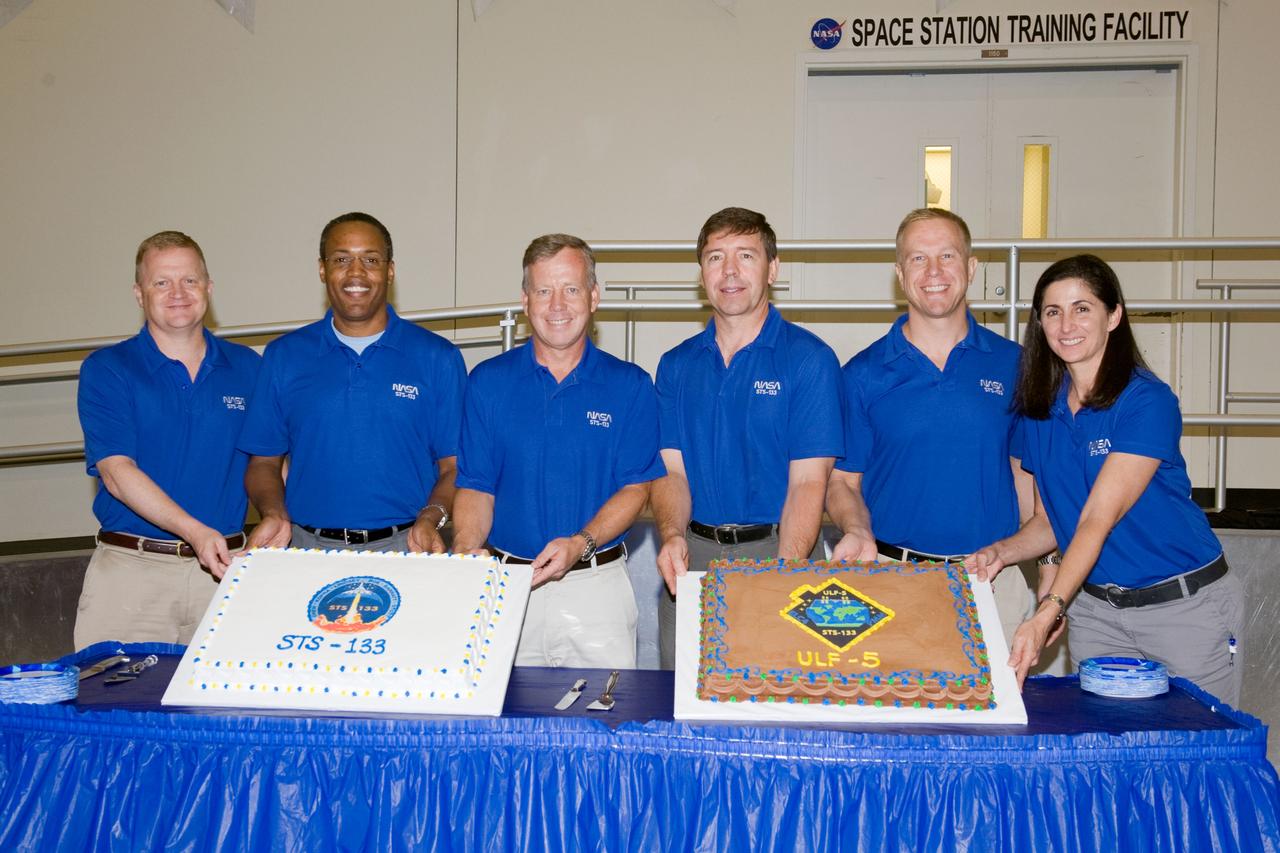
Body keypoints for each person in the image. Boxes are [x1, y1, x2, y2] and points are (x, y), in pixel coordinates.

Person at [969, 254, 1244, 704]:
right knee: (1108, 760)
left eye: (1082, 308)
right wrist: (1001, 552)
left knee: (1196, 757)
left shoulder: (1146, 402)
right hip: (1097, 611)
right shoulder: (1041, 408)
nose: (1066, 324)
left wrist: (1048, 610)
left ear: (1113, 315)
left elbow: (1097, 517)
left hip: (1183, 607)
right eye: (1053, 312)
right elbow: (1051, 521)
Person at [451, 234, 664, 667]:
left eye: (571, 289)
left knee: (604, 728)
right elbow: (476, 486)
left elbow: (636, 490)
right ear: (526, 300)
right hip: (509, 587)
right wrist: (465, 547)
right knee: (505, 730)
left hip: (598, 590)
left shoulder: (631, 386)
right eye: (544, 291)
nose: (557, 305)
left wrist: (579, 544)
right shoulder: (487, 383)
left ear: (594, 296)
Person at [826, 208, 1033, 640]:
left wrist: (1049, 571)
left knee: (1005, 707)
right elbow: (843, 482)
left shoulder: (1016, 364)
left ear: (971, 267)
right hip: (889, 583)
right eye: (918, 259)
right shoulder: (861, 374)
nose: (933, 271)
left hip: (992, 585)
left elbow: (1026, 476)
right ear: (900, 274)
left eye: (947, 256)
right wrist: (856, 528)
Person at [651, 207, 844, 669]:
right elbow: (671, 472)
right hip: (692, 563)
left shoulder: (809, 361)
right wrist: (672, 534)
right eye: (716, 258)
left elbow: (807, 484)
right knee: (683, 717)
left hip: (779, 553)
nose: (730, 271)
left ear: (772, 269)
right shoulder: (676, 365)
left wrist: (786, 574)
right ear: (701, 274)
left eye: (746, 256)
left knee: (780, 716)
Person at [75, 231, 261, 647]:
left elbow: (270, 462)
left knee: (226, 711)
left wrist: (279, 519)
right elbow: (117, 474)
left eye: (189, 281)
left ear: (208, 288)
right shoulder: (108, 370)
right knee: (114, 709)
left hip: (227, 576)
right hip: (130, 578)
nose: (178, 293)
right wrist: (195, 533)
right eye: (161, 282)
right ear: (139, 294)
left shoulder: (249, 368)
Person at [239, 212, 466, 553]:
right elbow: (263, 464)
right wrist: (273, 513)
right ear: (322, 269)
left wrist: (430, 518)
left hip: (409, 548)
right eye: (342, 259)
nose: (356, 272)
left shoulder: (438, 358)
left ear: (390, 270)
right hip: (305, 549)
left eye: (370, 260)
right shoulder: (284, 356)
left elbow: (455, 468)